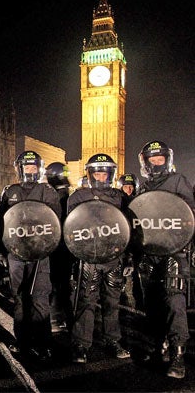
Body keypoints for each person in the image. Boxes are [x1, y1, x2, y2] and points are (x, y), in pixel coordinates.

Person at [136, 140, 195, 379]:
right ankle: (159, 344)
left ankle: (178, 353)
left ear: (167, 160)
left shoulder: (178, 181)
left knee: (174, 303)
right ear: (146, 161)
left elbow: (188, 215)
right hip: (150, 252)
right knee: (152, 304)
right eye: (153, 159)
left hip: (173, 251)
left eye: (160, 159)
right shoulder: (143, 186)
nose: (157, 163)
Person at [67, 154, 131, 364]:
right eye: (97, 172)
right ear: (90, 174)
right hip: (88, 258)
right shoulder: (78, 196)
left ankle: (113, 340)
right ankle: (80, 344)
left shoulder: (120, 197)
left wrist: (128, 258)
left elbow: (128, 229)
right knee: (86, 301)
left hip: (113, 256)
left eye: (104, 172)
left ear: (110, 174)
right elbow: (70, 230)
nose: (101, 176)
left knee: (112, 302)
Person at [0, 150, 61, 362]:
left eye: (34, 167)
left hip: (40, 254)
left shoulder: (48, 192)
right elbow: (2, 224)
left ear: (39, 169)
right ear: (20, 169)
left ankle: (44, 343)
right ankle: (22, 340)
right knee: (19, 298)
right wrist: (1, 250)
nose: (31, 171)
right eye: (27, 167)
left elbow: (56, 224)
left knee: (40, 299)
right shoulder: (11, 192)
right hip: (16, 253)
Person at [44, 161, 73, 333]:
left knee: (55, 284)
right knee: (64, 285)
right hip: (66, 246)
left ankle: (56, 317)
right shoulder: (68, 194)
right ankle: (67, 318)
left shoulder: (52, 196)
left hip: (55, 246)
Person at [115, 172, 142, 309]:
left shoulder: (141, 203)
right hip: (121, 244)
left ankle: (139, 303)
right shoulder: (116, 203)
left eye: (131, 187)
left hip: (136, 244)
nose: (129, 190)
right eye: (126, 187)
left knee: (138, 276)